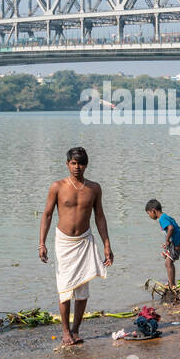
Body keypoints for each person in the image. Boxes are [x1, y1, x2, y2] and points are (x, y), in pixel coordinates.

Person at [39, 147, 113, 347]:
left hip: (85, 241)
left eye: (80, 163)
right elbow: (47, 214)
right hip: (63, 242)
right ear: (67, 164)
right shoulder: (57, 186)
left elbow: (99, 216)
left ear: (86, 165)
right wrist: (42, 243)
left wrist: (107, 244)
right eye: (73, 163)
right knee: (64, 289)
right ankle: (65, 332)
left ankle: (76, 330)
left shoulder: (94, 188)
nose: (77, 167)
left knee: (82, 289)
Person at [145, 199, 180, 299]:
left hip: (175, 244)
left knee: (168, 263)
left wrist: (167, 240)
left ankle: (172, 285)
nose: (149, 216)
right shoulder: (165, 216)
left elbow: (171, 228)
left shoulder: (162, 219)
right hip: (176, 242)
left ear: (153, 211)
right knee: (168, 263)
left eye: (149, 213)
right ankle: (172, 283)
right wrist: (168, 242)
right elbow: (175, 227)